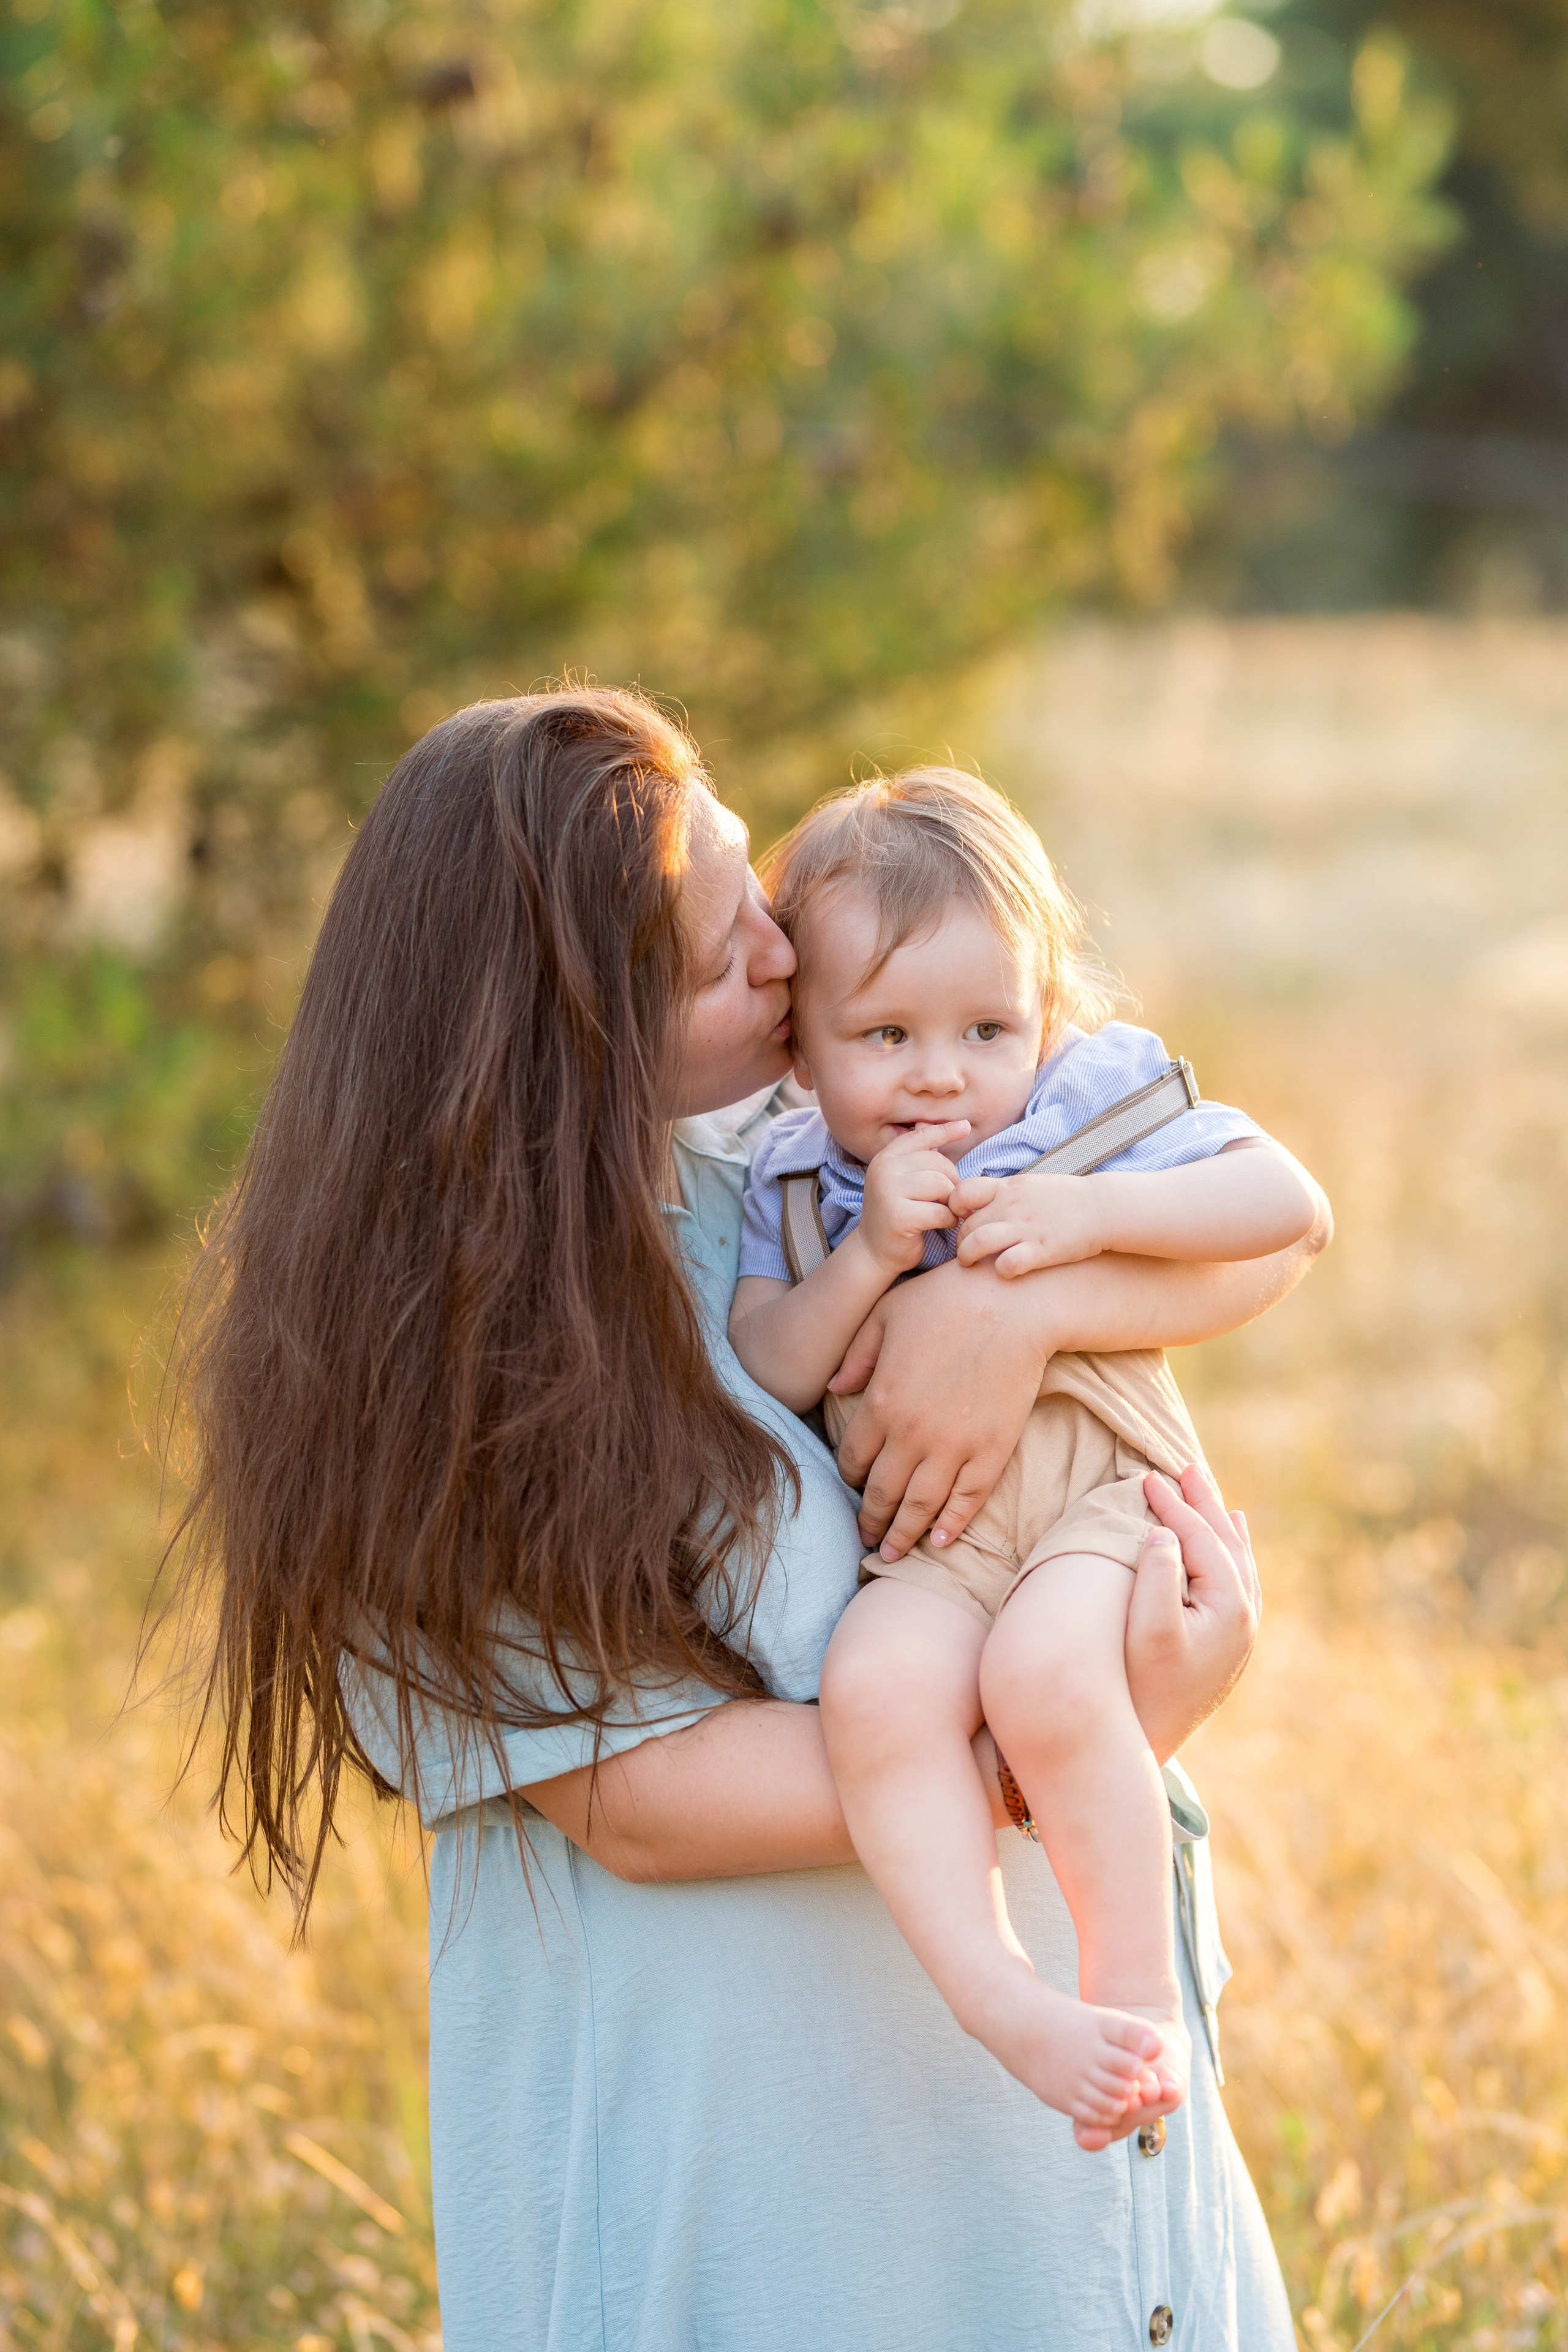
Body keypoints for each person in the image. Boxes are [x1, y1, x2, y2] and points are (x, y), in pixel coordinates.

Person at [165, 686, 1327, 2351]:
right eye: (727, 958)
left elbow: (1266, 1225)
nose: (788, 959)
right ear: (575, 1039)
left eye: (753, 897)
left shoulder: (778, 1164)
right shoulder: (447, 1339)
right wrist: (1095, 1720)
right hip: (766, 2181)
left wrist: (1021, 1318)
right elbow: (639, 1798)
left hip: (1040, 2125)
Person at [728, 769, 1327, 2149]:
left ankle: (1133, 2005)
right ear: (801, 1054)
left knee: (1046, 1678)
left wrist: (1085, 1215)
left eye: (984, 1026)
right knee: (874, 1696)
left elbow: (1284, 1204)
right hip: (933, 1540)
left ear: (1043, 1012)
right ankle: (1002, 1999)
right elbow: (769, 1365)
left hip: (1102, 1498)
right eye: (883, 1033)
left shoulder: (1081, 1104)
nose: (940, 1074)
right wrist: (872, 1253)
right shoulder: (796, 1182)